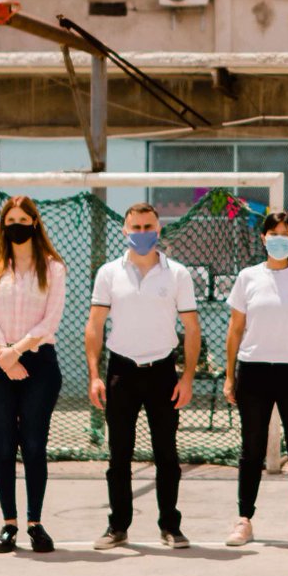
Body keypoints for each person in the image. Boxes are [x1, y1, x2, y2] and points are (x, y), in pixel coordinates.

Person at [86, 201, 200, 551]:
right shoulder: (109, 273)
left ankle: (170, 526)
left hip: (163, 371)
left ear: (158, 229)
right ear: (125, 230)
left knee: (167, 454)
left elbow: (191, 329)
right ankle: (117, 526)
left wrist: (188, 377)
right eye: (135, 228)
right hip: (121, 371)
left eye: (148, 227)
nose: (142, 234)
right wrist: (94, 374)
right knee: (119, 454)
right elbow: (95, 326)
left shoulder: (177, 274)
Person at [223, 211, 288, 547]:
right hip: (253, 369)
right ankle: (244, 519)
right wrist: (229, 375)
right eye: (273, 233)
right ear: (263, 238)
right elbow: (235, 328)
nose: (279, 238)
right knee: (251, 447)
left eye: (286, 233)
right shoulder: (247, 277)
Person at [0, 196, 66, 553]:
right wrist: (4, 354)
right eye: (10, 219)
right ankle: (8, 524)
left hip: (38, 364)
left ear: (34, 223)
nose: (16, 225)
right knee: (2, 446)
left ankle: (35, 523)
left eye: (23, 219)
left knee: (33, 445)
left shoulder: (53, 268)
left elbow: (51, 319)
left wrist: (18, 351)